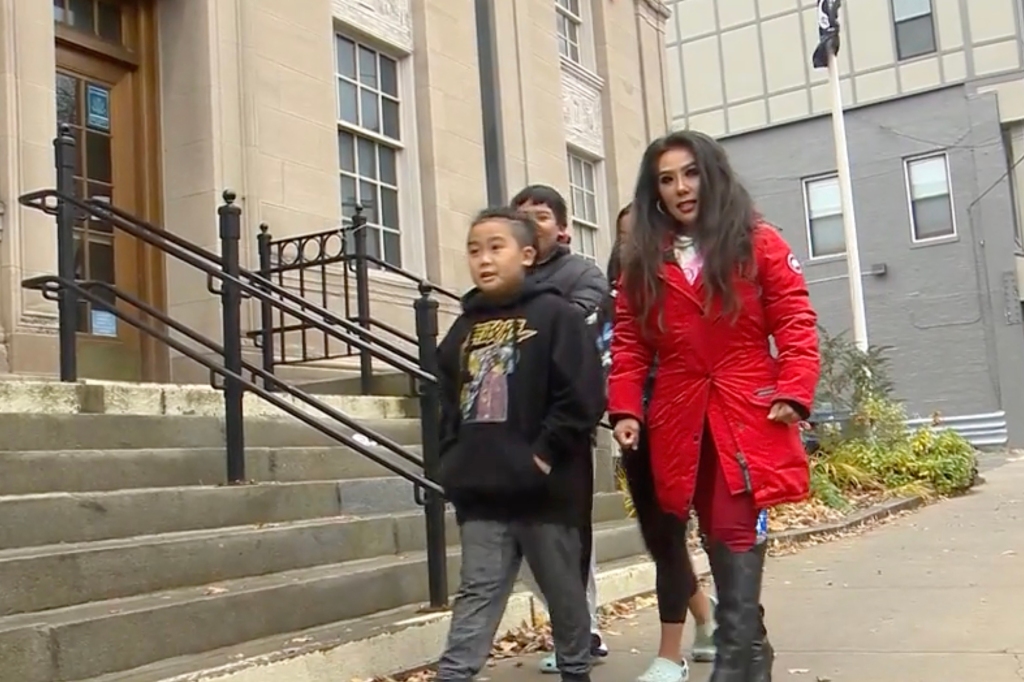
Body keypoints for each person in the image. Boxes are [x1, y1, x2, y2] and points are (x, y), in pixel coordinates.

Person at [609, 131, 820, 682]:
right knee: (710, 533)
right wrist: (626, 409)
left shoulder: (759, 242)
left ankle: (733, 663)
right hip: (679, 416)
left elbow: (796, 322)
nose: (681, 187)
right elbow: (630, 343)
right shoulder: (644, 260)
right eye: (667, 178)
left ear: (713, 174)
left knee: (732, 529)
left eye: (691, 173)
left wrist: (794, 390)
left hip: (747, 410)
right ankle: (753, 652)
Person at [434, 207, 606, 682]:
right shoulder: (464, 326)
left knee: (564, 594)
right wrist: (451, 461)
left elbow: (583, 396)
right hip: (481, 489)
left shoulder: (556, 316)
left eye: (495, 247)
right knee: (477, 591)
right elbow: (446, 399)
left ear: (527, 254)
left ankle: (576, 671)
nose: (483, 260)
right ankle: (454, 674)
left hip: (545, 494)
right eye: (474, 250)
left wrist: (544, 455)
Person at [602, 204, 718, 682]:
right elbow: (613, 355)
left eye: (642, 235)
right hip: (638, 429)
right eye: (624, 237)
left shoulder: (688, 285)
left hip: (690, 418)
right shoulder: (610, 298)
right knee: (660, 538)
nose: (634, 244)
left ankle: (672, 654)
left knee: (681, 535)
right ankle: (707, 617)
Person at [509, 185, 610, 672]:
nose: (531, 222)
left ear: (562, 228)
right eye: (521, 215)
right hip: (507, 429)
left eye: (542, 216)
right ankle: (572, 623)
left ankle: (583, 631)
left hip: (563, 425)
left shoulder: (582, 274)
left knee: (568, 535)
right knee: (518, 539)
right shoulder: (502, 277)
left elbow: (573, 332)